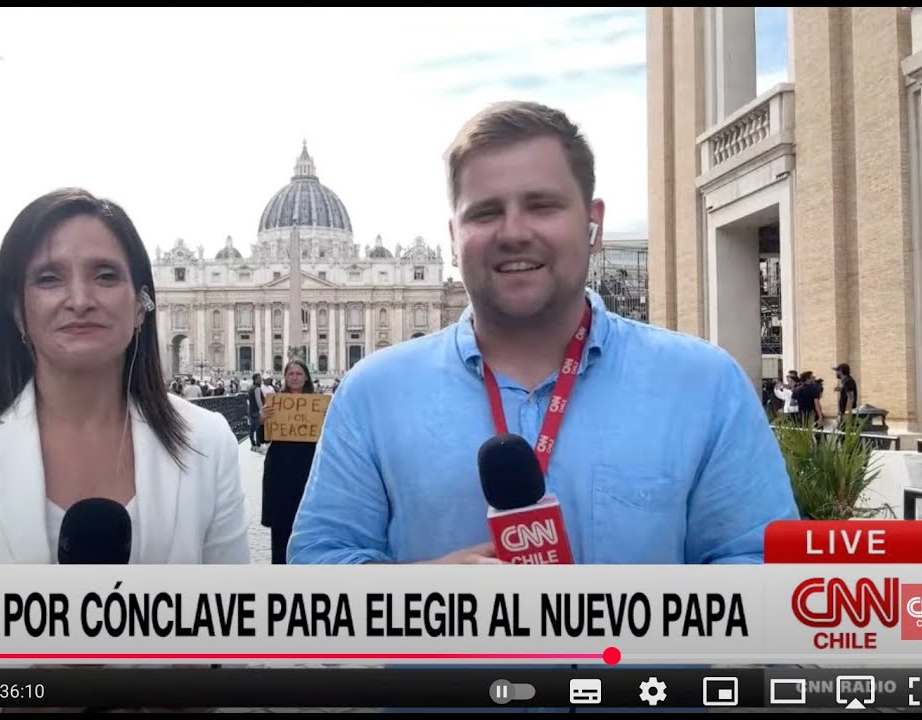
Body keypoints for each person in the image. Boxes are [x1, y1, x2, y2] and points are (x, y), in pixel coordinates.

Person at [288, 100, 799, 567]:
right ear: (453, 239)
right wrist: (416, 599)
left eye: (542, 205)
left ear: (593, 224)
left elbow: (762, 570)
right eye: (486, 212)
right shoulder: (372, 393)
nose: (513, 233)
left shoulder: (704, 385)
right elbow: (318, 566)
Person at [0, 188, 250, 567]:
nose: (79, 300)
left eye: (106, 276)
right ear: (18, 311)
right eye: (49, 278)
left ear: (141, 306)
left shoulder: (209, 443)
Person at [258, 360, 318, 564]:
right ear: (285, 377)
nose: (294, 377)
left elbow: (328, 437)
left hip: (308, 468)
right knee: (281, 525)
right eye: (291, 373)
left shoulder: (317, 404)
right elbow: (264, 438)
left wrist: (327, 419)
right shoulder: (275, 402)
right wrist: (261, 420)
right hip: (280, 469)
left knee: (308, 523)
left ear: (306, 377)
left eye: (299, 373)